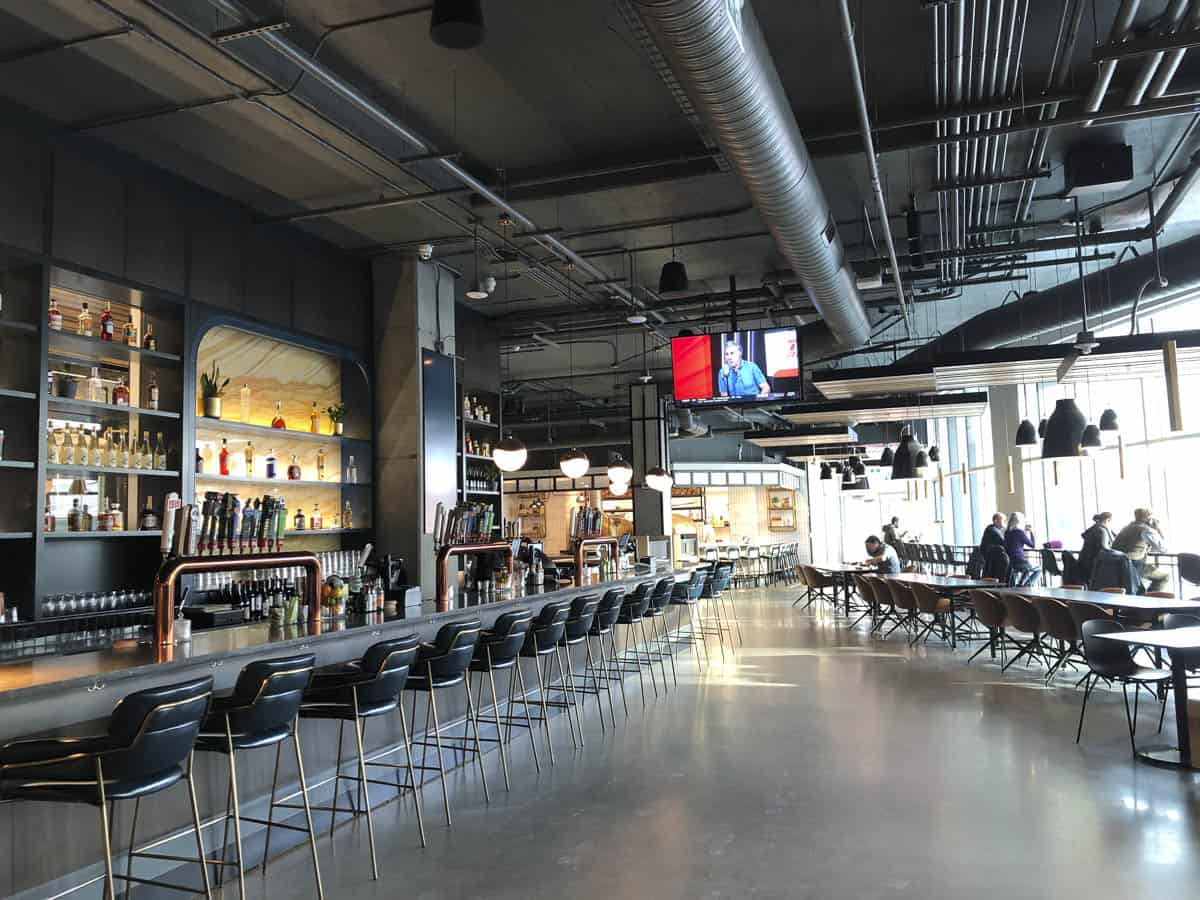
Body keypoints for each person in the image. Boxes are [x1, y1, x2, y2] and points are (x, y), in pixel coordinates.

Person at [1112, 508, 1170, 592]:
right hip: (1134, 566)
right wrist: (1158, 529)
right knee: (1164, 576)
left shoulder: (1126, 528)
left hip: (1118, 565)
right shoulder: (1146, 530)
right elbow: (1164, 549)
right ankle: (1151, 598)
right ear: (1148, 519)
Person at [1005, 512, 1040, 587]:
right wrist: (1031, 532)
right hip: (1019, 561)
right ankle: (1026, 586)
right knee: (1039, 568)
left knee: (1026, 569)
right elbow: (1032, 545)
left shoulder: (1007, 532)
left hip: (1010, 562)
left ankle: (1020, 584)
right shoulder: (1019, 532)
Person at [1078, 512, 1114, 581]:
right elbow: (1104, 547)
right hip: (1092, 562)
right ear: (1108, 520)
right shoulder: (1101, 530)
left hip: (1084, 560)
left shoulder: (1094, 528)